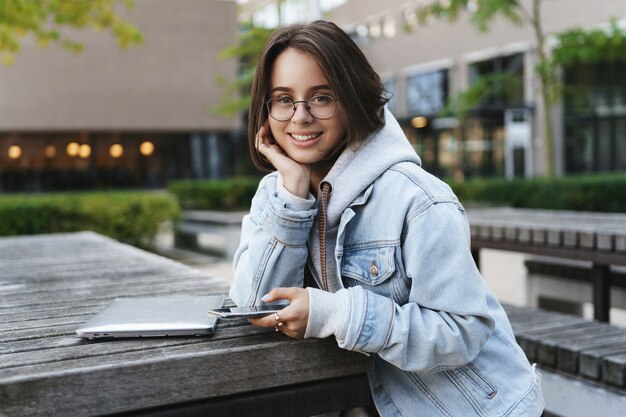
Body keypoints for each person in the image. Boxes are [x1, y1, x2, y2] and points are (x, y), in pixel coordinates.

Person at [230, 20, 544, 417]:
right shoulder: (277, 197)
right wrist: (292, 195)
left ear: (352, 100)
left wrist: (338, 314)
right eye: (283, 99)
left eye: (322, 98)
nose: (301, 116)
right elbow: (255, 306)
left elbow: (463, 332)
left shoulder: (418, 199)